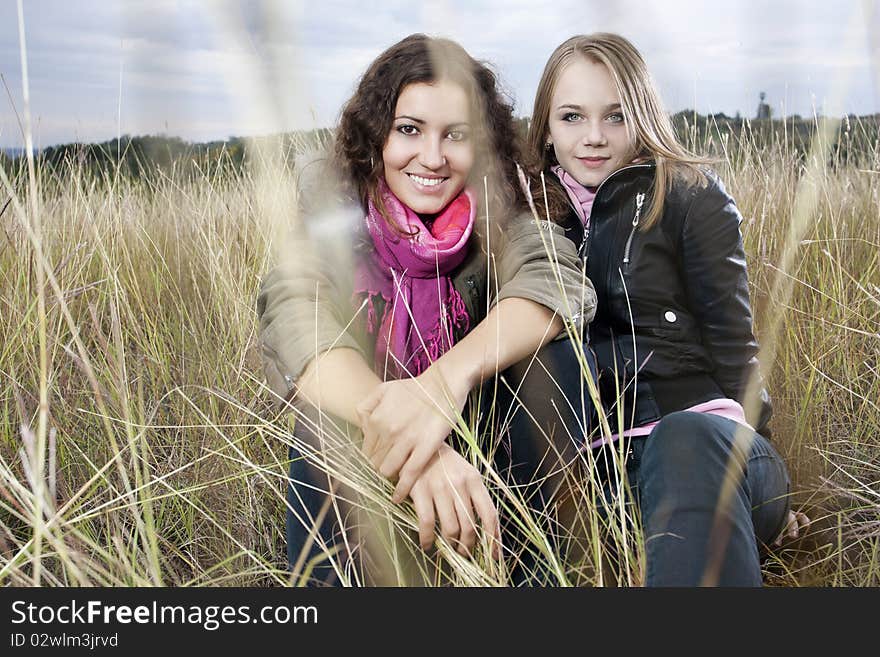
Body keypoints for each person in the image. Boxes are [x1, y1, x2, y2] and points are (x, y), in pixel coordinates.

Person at [257, 34, 594, 585]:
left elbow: (555, 280)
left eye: (455, 135)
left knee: (552, 366)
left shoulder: (505, 210)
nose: (432, 158)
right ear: (377, 136)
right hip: (376, 463)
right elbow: (296, 315)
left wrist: (441, 385)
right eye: (409, 130)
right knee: (319, 421)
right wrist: (415, 438)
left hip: (490, 458)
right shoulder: (335, 221)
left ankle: (534, 576)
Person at [526, 32, 809, 586]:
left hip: (711, 442)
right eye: (572, 117)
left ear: (643, 115)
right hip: (604, 469)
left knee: (683, 439)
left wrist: (759, 472)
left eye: (615, 116)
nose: (593, 137)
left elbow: (736, 348)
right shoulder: (525, 215)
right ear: (546, 126)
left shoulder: (689, 195)